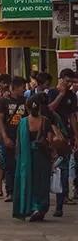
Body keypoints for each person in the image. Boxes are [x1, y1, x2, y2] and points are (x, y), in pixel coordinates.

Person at [13, 93, 54, 222]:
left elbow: (18, 144)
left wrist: (18, 158)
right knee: (42, 183)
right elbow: (50, 140)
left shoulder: (23, 122)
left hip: (26, 157)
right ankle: (40, 208)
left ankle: (31, 207)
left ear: (28, 108)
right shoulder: (45, 121)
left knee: (28, 181)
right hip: (42, 157)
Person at [47, 69, 77, 217]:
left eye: (71, 82)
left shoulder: (72, 96)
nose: (69, 84)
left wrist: (76, 136)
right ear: (61, 79)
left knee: (63, 169)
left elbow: (72, 116)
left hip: (66, 137)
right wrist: (61, 94)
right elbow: (50, 109)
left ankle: (61, 202)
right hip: (52, 136)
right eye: (67, 81)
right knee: (53, 169)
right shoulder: (52, 93)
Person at [0, 76, 28, 202]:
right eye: (22, 87)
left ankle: (21, 191)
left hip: (23, 138)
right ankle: (10, 191)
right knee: (9, 165)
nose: (24, 90)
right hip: (9, 137)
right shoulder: (3, 101)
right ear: (15, 88)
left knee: (22, 165)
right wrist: (5, 137)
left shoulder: (26, 101)